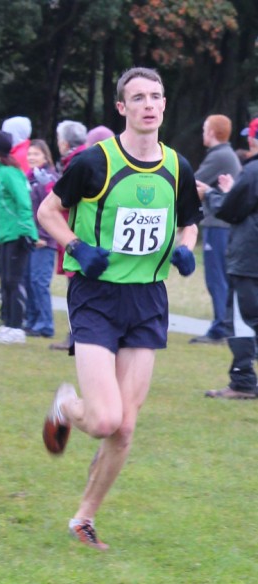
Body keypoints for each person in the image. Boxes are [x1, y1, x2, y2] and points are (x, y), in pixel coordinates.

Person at [38, 66, 202, 550]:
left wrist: (185, 246)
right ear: (122, 107)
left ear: (165, 104)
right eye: (138, 98)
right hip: (97, 296)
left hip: (148, 300)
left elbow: (188, 220)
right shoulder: (94, 162)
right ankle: (66, 407)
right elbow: (50, 211)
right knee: (105, 419)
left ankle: (83, 518)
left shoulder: (178, 166)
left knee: (125, 427)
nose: (149, 105)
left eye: (156, 96)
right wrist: (75, 248)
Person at [196, 117, 258, 399]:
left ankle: (243, 381)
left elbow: (233, 210)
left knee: (244, 319)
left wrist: (210, 194)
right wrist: (233, 190)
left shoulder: (253, 170)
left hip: (248, 257)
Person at [189, 115, 241, 345]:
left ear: (211, 132)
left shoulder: (219, 156)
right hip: (224, 226)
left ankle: (220, 328)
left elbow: (192, 182)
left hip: (218, 226)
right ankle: (224, 325)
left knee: (216, 278)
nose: (203, 133)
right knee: (223, 278)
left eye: (204, 129)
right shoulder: (225, 155)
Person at [0, 131, 38, 344]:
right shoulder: (0, 174)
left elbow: (23, 204)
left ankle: (17, 328)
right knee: (6, 282)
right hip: (4, 235)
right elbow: (0, 209)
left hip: (18, 235)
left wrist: (27, 232)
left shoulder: (11, 173)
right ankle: (9, 324)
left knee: (14, 281)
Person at [49, 120, 87, 351]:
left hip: (74, 233)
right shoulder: (80, 158)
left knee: (77, 286)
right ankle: (76, 336)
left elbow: (65, 201)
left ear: (64, 142)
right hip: (73, 231)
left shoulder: (77, 162)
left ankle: (77, 337)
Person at [24, 139, 59, 337]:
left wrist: (44, 235)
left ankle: (46, 324)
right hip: (30, 238)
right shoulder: (30, 178)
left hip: (45, 240)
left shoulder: (49, 178)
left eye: (36, 154)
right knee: (28, 280)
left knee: (39, 282)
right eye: (29, 154)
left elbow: (51, 209)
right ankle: (32, 320)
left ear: (45, 156)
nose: (31, 158)